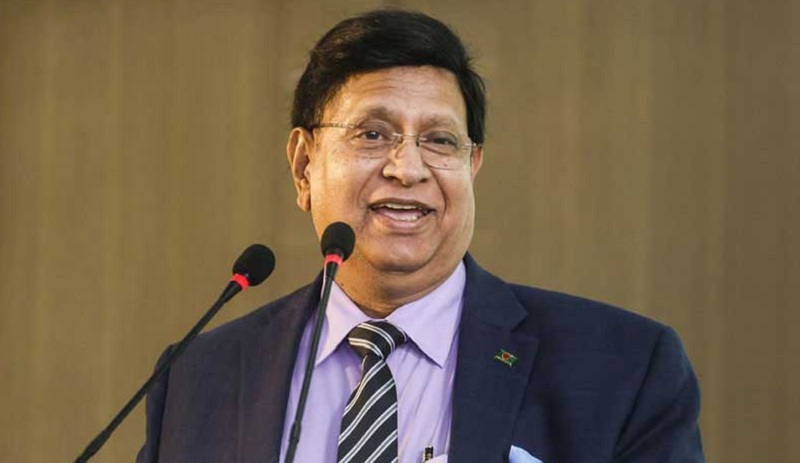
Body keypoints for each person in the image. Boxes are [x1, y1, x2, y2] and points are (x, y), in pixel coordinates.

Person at [137, 9, 705, 463]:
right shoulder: (198, 378)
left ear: (472, 165)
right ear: (304, 165)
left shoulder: (623, 368)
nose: (407, 169)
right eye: (372, 134)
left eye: (439, 140)